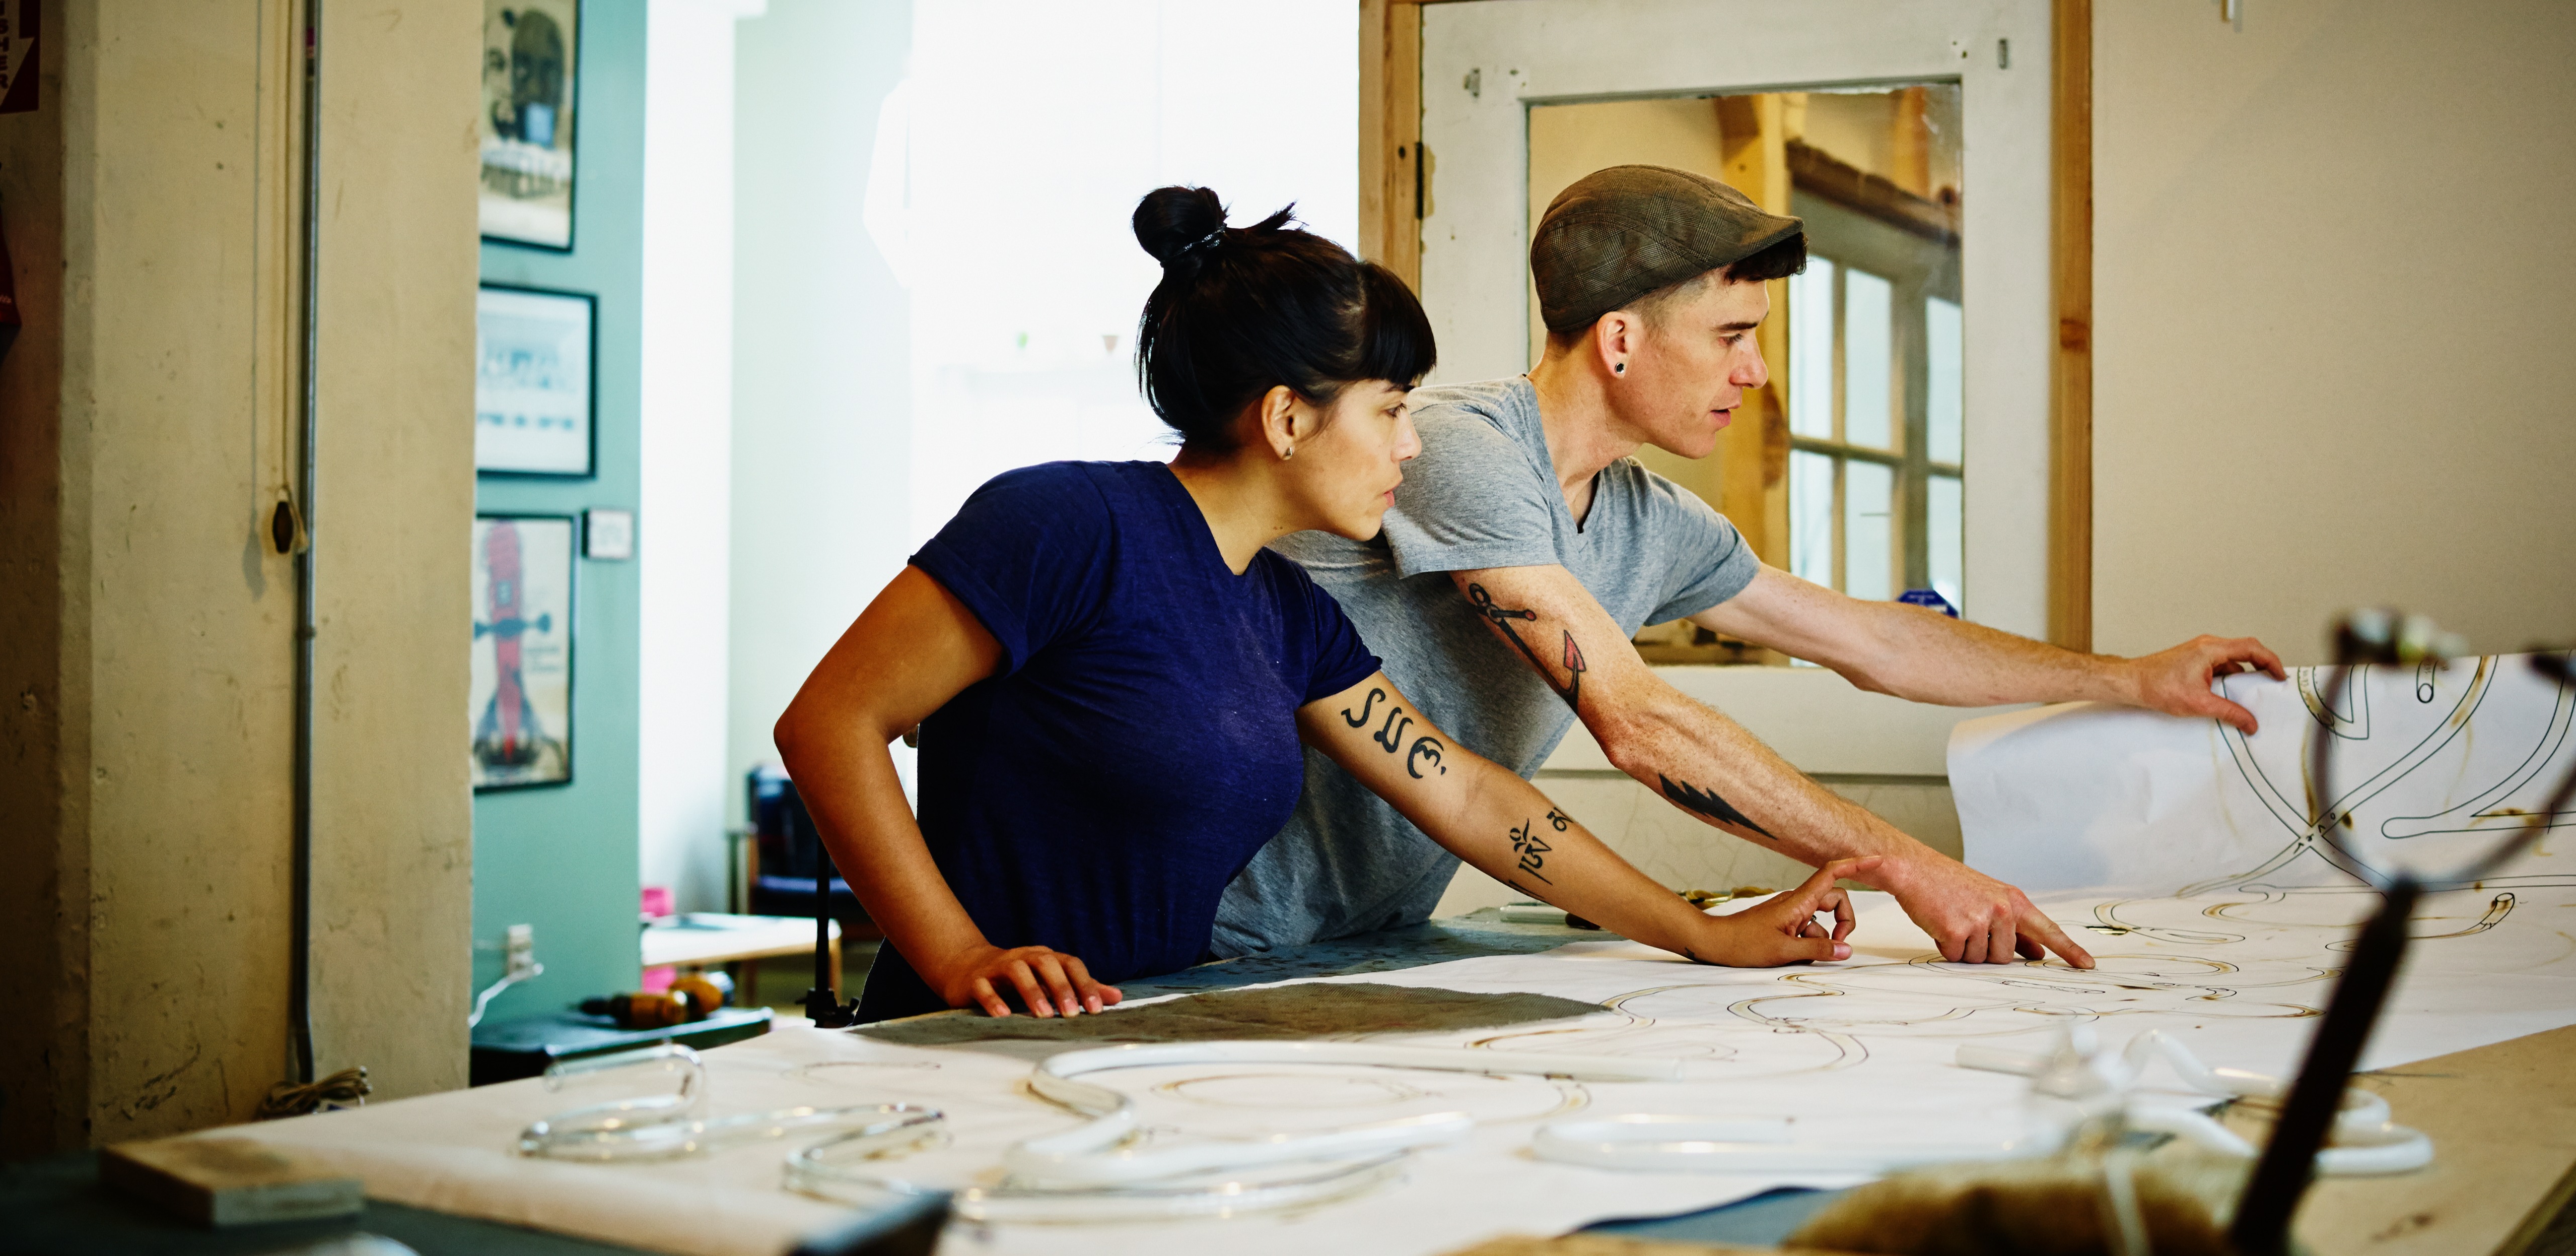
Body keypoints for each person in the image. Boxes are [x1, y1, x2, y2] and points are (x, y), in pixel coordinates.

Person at [774, 186, 1884, 1020]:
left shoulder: (1283, 608)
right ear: (1287, 419)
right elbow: (828, 722)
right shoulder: (1065, 524)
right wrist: (957, 953)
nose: (1412, 442)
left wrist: (1701, 932)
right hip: (964, 1042)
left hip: (1140, 1030)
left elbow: (1464, 797)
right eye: (1391, 409)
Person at [1215, 165, 2287, 970]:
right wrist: (1908, 862)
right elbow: (1635, 723)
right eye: (1731, 334)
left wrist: (2126, 677)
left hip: (1373, 934)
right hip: (1212, 926)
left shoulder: (1652, 518)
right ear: (1620, 341)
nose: (1756, 371)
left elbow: (1870, 639)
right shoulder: (1453, 449)